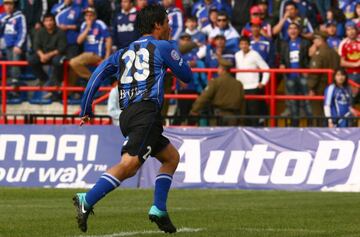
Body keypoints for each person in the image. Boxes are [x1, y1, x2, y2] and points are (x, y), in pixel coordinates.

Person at [73, 4, 193, 234]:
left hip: (128, 114)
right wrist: (174, 55)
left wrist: (86, 108)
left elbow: (96, 75)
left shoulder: (122, 53)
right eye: (167, 22)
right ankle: (86, 199)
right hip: (145, 113)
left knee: (170, 157)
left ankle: (159, 209)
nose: (169, 27)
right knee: (129, 166)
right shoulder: (163, 46)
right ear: (157, 24)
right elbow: (186, 75)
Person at [190, 58, 245, 126]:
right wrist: (241, 120)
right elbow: (242, 102)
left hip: (218, 117)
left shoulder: (215, 82)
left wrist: (194, 110)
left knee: (217, 135)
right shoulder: (238, 84)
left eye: (218, 68)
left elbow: (204, 97)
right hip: (233, 117)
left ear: (222, 70)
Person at [68, 7, 112, 89]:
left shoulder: (99, 23)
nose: (88, 17)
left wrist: (107, 57)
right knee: (72, 68)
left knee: (73, 62)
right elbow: (79, 41)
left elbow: (108, 39)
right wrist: (88, 28)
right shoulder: (84, 25)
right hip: (87, 54)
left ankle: (92, 80)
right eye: (87, 15)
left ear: (95, 16)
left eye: (91, 15)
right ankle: (69, 92)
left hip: (96, 54)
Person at [279, 22, 312, 123]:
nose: (292, 31)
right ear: (287, 31)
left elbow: (309, 58)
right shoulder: (284, 44)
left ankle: (311, 123)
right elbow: (282, 59)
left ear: (298, 31)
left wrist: (308, 70)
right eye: (290, 29)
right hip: (290, 77)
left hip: (303, 76)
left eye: (295, 28)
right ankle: (295, 123)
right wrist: (282, 65)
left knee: (307, 101)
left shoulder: (305, 43)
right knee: (292, 101)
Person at [235, 36, 269, 126]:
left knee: (253, 112)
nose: (244, 46)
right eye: (242, 44)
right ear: (239, 45)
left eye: (246, 44)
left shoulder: (255, 54)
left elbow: (266, 68)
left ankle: (255, 133)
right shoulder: (237, 55)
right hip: (241, 88)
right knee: (243, 113)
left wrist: (263, 82)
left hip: (253, 87)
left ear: (249, 45)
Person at [28, 13, 66, 91]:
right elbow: (36, 46)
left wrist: (48, 55)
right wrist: (42, 55)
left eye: (50, 20)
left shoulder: (60, 32)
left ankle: (56, 82)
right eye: (46, 21)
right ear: (43, 22)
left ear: (54, 21)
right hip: (43, 55)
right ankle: (44, 78)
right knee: (31, 59)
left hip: (55, 55)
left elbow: (61, 48)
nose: (48, 23)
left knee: (58, 61)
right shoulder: (40, 32)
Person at [308, 31, 340, 116]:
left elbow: (315, 73)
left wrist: (311, 87)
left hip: (320, 87)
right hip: (334, 85)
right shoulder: (334, 53)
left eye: (314, 39)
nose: (313, 42)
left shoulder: (319, 54)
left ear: (320, 39)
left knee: (318, 113)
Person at [0, 0, 26, 85]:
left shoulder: (19, 16)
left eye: (10, 4)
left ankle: (15, 80)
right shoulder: (2, 17)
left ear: (14, 5)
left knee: (15, 53)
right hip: (5, 43)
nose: (8, 6)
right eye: (6, 4)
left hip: (15, 44)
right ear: (3, 6)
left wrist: (18, 45)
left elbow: (23, 32)